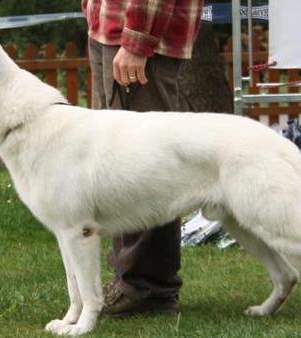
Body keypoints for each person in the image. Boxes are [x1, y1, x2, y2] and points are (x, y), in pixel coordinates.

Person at [82, 0, 204, 317]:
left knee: (143, 170)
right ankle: (131, 281)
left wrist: (137, 41)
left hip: (140, 35)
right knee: (118, 168)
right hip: (111, 29)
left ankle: (149, 289)